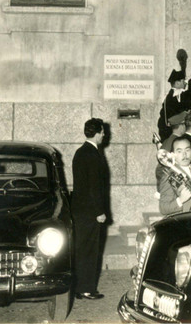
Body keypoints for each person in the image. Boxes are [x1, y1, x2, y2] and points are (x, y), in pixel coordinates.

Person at [71, 118, 109, 300]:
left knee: (81, 250)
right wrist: (99, 211)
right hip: (90, 213)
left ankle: (79, 287)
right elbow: (95, 188)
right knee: (90, 251)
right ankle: (87, 289)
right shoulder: (93, 155)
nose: (104, 135)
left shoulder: (80, 152)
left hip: (79, 211)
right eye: (102, 132)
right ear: (97, 133)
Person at [158, 136, 191, 215]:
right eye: (179, 151)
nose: (184, 154)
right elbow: (163, 208)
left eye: (187, 150)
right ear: (173, 155)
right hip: (184, 222)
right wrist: (180, 200)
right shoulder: (169, 176)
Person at [157, 69, 191, 141]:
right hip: (170, 132)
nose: (185, 83)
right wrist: (184, 114)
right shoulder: (169, 98)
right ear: (177, 83)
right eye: (183, 81)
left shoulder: (181, 95)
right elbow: (169, 118)